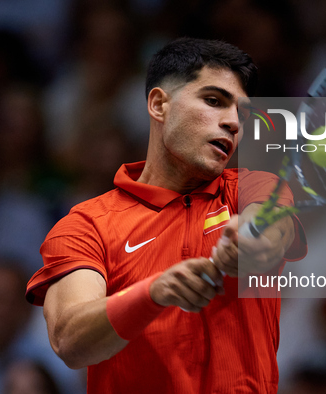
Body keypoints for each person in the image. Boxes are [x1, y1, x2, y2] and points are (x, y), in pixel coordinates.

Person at [25, 37, 306, 393]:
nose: (233, 123)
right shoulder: (87, 225)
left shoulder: (254, 188)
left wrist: (249, 243)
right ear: (159, 105)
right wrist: (153, 293)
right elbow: (70, 340)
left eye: (242, 113)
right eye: (214, 101)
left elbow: (269, 232)